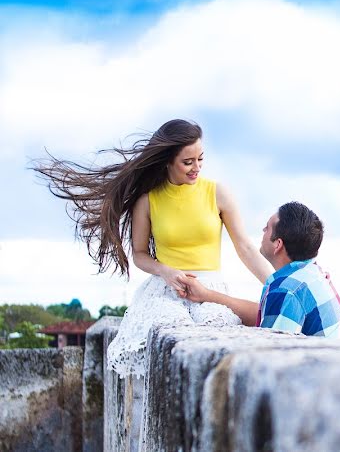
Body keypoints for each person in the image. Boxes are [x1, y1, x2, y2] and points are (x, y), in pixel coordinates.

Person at [33, 119, 274, 376]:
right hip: (166, 290)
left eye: (200, 159)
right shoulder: (148, 200)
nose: (196, 168)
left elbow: (246, 248)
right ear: (168, 161)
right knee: (167, 340)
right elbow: (139, 254)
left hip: (210, 289)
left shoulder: (217, 193)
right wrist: (166, 271)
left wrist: (279, 285)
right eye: (188, 162)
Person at [182, 201, 340, 338]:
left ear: (278, 244)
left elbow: (270, 352)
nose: (262, 231)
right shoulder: (314, 274)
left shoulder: (286, 290)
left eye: (267, 227)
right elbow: (262, 314)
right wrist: (206, 294)